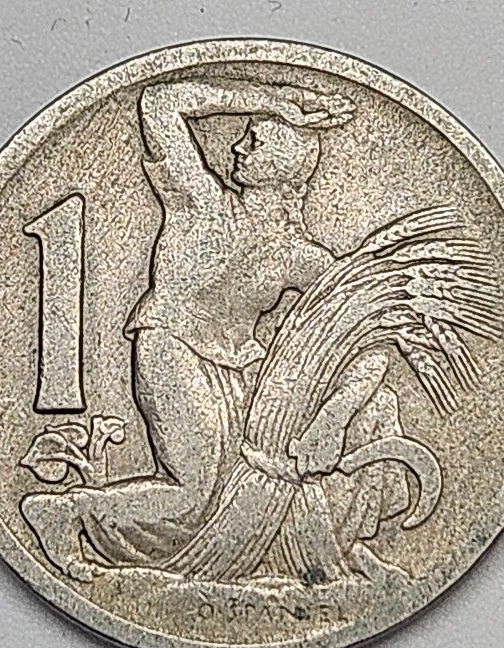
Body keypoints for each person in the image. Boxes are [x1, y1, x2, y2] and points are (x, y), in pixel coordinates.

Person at [21, 78, 358, 580]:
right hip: (171, 344)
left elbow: (365, 329)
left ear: (285, 166)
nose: (237, 146)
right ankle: (63, 512)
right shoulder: (200, 201)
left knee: (247, 491)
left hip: (240, 371)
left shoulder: (301, 257)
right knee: (193, 493)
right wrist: (271, 100)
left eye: (255, 140)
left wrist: (335, 416)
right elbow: (159, 102)